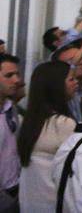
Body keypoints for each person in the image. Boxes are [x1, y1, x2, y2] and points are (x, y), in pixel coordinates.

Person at [16, 62, 77, 213]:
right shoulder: (63, 124)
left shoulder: (29, 122)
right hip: (53, 203)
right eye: (71, 79)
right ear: (56, 86)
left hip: (29, 203)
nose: (76, 83)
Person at [0, 55, 23, 210]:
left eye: (17, 74)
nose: (16, 80)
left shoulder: (12, 109)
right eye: (9, 75)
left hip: (15, 190)